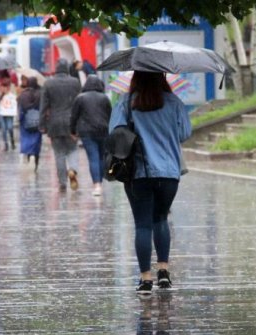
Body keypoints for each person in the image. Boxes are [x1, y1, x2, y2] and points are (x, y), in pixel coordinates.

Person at [108, 71, 192, 295]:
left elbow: (114, 134)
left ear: (135, 78)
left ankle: (145, 279)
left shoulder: (126, 102)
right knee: (161, 219)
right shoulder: (174, 101)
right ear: (161, 77)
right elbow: (184, 133)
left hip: (138, 172)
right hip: (168, 173)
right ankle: (163, 273)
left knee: (143, 224)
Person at [40, 59, 82, 192]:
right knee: (73, 149)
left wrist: (42, 125)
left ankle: (63, 182)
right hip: (72, 123)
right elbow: (79, 103)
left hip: (55, 123)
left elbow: (43, 106)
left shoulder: (48, 83)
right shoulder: (75, 82)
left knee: (59, 154)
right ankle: (73, 169)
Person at [70, 75, 112, 196]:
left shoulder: (80, 98)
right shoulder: (104, 98)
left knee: (93, 157)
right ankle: (100, 181)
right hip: (103, 131)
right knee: (101, 157)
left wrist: (73, 131)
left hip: (87, 132)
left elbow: (74, 116)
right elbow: (110, 115)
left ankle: (97, 185)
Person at [17, 77, 43, 170]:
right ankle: (35, 161)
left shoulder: (23, 95)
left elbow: (20, 109)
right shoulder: (40, 94)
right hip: (37, 121)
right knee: (36, 141)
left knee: (27, 140)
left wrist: (20, 119)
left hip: (25, 122)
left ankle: (29, 156)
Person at [0, 78, 17, 151]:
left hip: (9, 113)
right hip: (1, 113)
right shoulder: (0, 92)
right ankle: (6, 144)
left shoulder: (12, 91)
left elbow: (15, 101)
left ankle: (12, 141)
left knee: (10, 127)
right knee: (4, 129)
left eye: (5, 86)